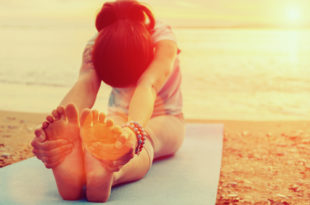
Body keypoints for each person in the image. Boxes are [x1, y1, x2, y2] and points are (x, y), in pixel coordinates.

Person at [31, 0, 184, 202]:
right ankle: (77, 173)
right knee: (104, 141)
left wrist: (133, 133)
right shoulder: (97, 44)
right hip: (118, 115)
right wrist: (58, 135)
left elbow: (148, 85)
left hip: (167, 117)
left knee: (141, 139)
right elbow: (87, 84)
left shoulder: (163, 40)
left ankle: (109, 172)